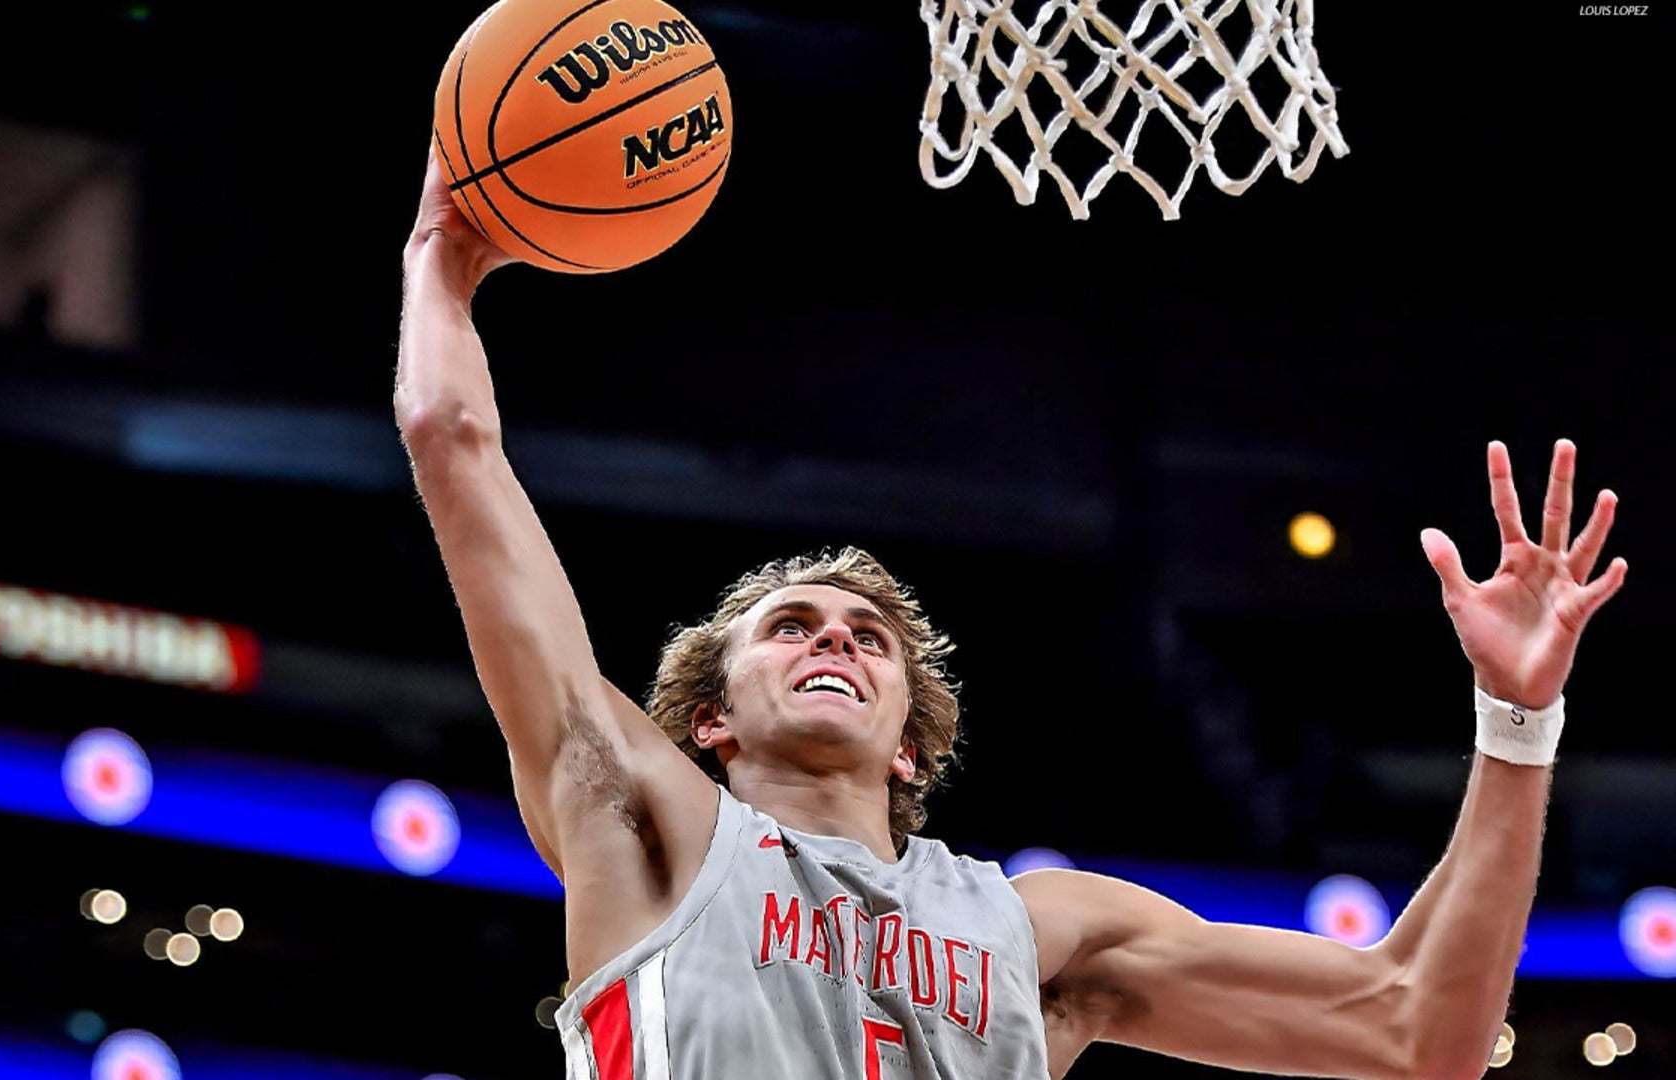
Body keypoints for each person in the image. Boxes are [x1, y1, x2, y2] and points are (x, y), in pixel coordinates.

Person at [393, 155, 1628, 1080]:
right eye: (793, 626)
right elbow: (453, 443)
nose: (834, 638)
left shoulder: (1040, 932)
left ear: (913, 745)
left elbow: (1422, 1029)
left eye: (867, 638)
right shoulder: (640, 820)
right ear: (710, 720)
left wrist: (1516, 720)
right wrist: (439, 267)